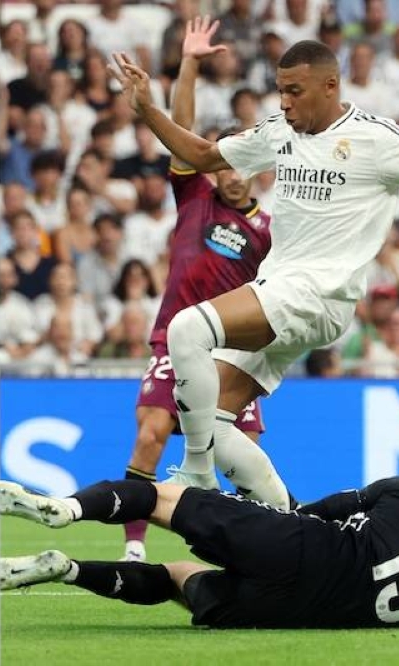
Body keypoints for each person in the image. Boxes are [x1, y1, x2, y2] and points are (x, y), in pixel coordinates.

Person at [109, 28, 399, 504]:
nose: (284, 101)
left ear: (331, 86)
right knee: (214, 421)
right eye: (281, 90)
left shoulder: (377, 138)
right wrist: (148, 111)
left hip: (318, 294)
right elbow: (200, 155)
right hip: (280, 290)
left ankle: (196, 474)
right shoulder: (278, 133)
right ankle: (289, 523)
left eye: (294, 91)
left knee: (186, 330)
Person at [118, 17, 282, 563]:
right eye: (224, 162)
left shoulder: (268, 232)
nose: (232, 172)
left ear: (255, 170)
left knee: (246, 458)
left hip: (229, 352)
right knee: (150, 435)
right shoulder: (195, 197)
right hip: (174, 339)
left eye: (242, 164)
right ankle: (135, 548)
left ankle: (244, 554)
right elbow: (179, 126)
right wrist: (188, 62)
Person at [0, 461, 399, 629]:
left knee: (160, 497)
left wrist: (277, 515)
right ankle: (69, 570)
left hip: (299, 546)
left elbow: (325, 509)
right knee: (176, 579)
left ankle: (67, 508)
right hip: (292, 612)